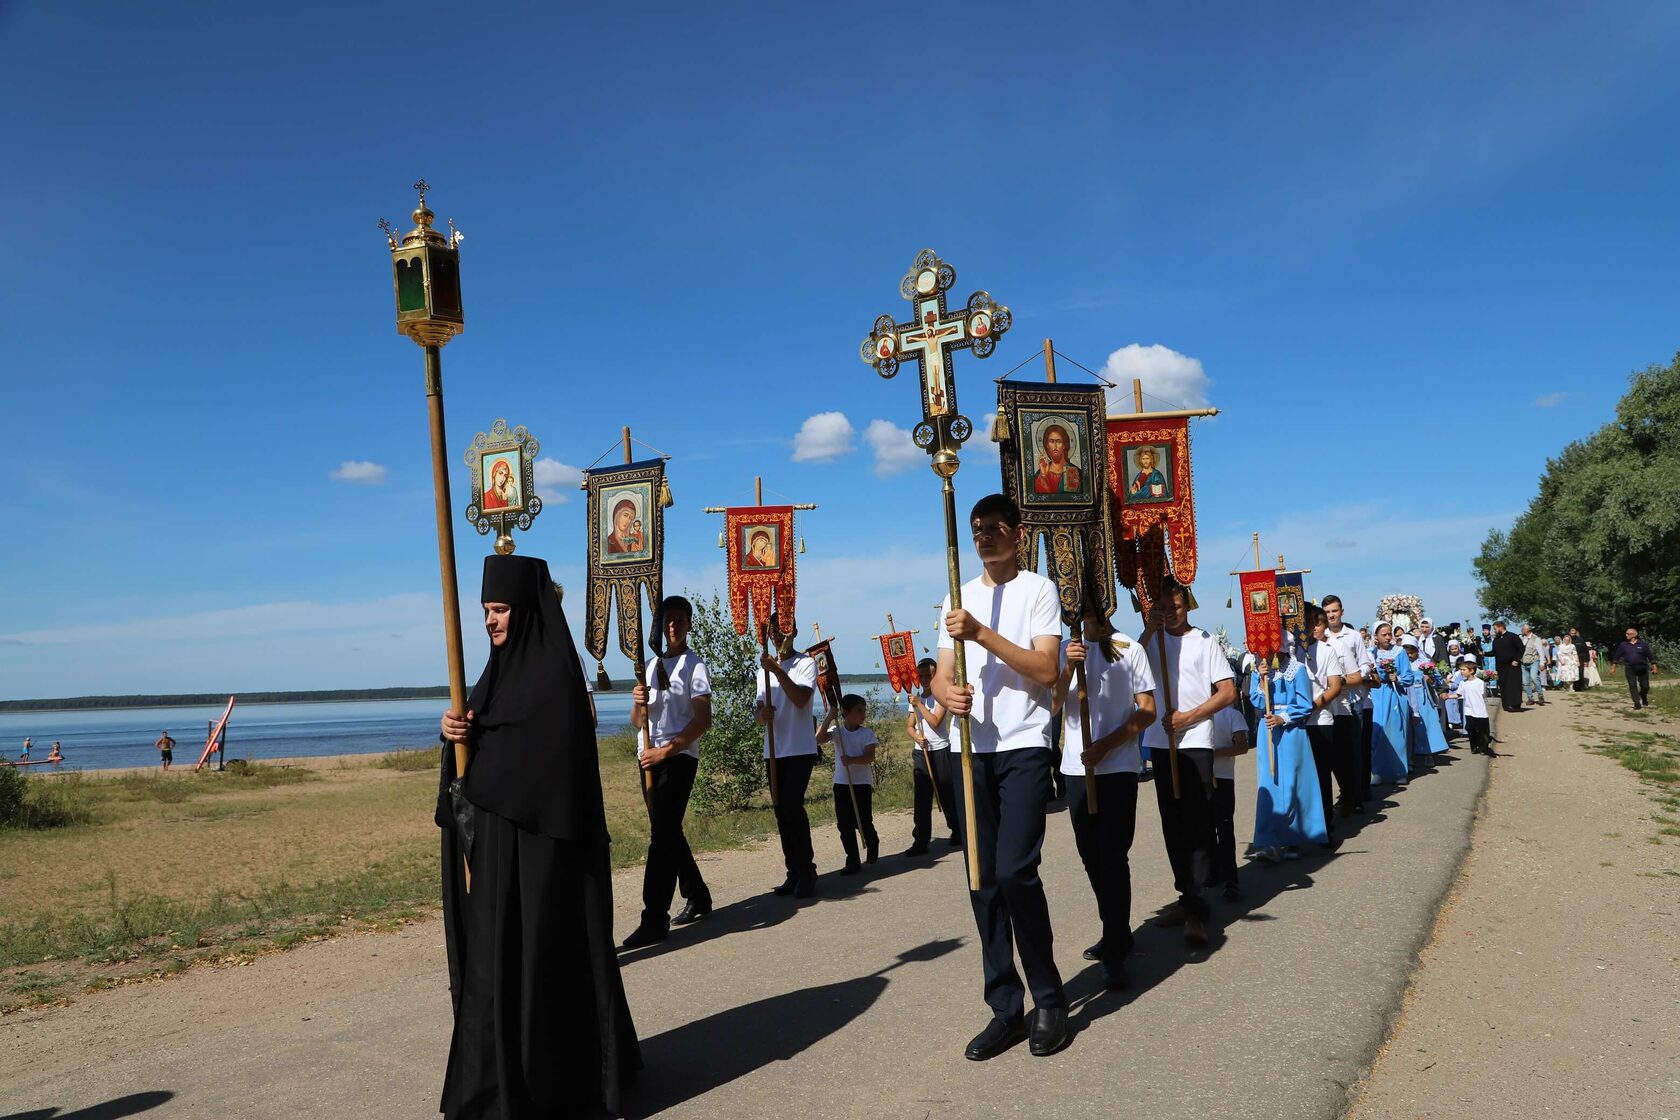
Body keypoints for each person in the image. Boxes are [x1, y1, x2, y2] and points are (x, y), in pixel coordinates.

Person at [436, 554, 639, 1118]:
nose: (490, 622)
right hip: (500, 854)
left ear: (525, 611)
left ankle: (549, 1083)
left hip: (545, 859)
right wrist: (453, 733)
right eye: (484, 611)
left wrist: (479, 758)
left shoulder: (555, 680)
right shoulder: (494, 677)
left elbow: (542, 767)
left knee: (543, 966)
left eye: (500, 609)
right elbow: (472, 753)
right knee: (494, 971)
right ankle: (493, 1084)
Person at [934, 493, 1068, 1060]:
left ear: (1017, 532)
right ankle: (1004, 1007)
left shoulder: (1039, 589)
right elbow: (940, 678)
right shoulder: (956, 595)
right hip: (973, 749)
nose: (984, 537)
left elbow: (1047, 667)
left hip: (1024, 744)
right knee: (982, 878)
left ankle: (1049, 997)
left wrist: (982, 634)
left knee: (1016, 870)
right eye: (976, 529)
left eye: (994, 528)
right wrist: (950, 694)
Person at [1053, 604, 1155, 990]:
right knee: (1091, 857)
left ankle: (1115, 950)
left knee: (1112, 856)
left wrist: (1108, 745)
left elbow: (1147, 709)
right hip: (1077, 770)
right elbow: (1051, 704)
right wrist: (1066, 667)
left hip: (1117, 768)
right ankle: (1117, 928)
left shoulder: (1129, 648)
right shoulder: (1067, 648)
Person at [1141, 581, 1238, 945]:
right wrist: (1151, 627)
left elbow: (1228, 692)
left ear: (1188, 605)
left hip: (1194, 741)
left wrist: (1189, 717)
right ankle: (1186, 895)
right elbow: (1126, 668)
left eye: (1176, 605)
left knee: (1197, 824)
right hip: (1160, 742)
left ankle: (1197, 908)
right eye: (1163, 606)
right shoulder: (1151, 641)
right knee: (1172, 823)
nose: (1170, 611)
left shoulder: (1204, 641)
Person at [622, 595, 714, 949]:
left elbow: (702, 720)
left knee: (661, 837)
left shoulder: (695, 666)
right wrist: (637, 703)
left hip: (677, 758)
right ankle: (698, 894)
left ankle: (654, 917)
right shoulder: (648, 665)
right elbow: (637, 723)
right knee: (667, 829)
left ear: (689, 625)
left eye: (679, 619)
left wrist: (666, 750)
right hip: (648, 757)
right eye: (667, 620)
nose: (673, 625)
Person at [755, 613, 820, 897]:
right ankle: (792, 871)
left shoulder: (805, 663)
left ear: (792, 631)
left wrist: (777, 670)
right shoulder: (762, 669)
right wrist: (762, 714)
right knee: (781, 812)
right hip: (774, 749)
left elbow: (801, 699)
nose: (777, 637)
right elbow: (758, 711)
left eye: (781, 631)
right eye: (772, 632)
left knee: (793, 807)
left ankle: (807, 870)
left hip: (800, 747)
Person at [1250, 636, 1330, 862]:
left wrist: (1283, 717)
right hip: (1268, 730)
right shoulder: (1261, 670)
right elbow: (1256, 700)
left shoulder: (1298, 670)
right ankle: (1269, 839)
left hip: (1290, 730)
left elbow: (1305, 703)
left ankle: (1294, 837)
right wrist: (1261, 679)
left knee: (1292, 781)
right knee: (1269, 782)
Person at [1321, 595, 1374, 814]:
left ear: (1342, 611)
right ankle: (1347, 792)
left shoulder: (1352, 637)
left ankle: (1358, 794)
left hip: (1352, 698)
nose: (1331, 615)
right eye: (1327, 612)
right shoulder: (1321, 637)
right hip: (1330, 701)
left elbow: (1364, 665)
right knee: (1336, 750)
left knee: (1355, 748)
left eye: (1334, 611)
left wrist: (1346, 678)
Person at [905, 658, 960, 855]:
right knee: (921, 798)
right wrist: (917, 737)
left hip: (940, 750)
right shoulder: (916, 699)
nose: (925, 679)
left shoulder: (940, 696)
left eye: (929, 675)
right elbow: (910, 726)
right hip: (922, 752)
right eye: (921, 676)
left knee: (946, 793)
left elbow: (936, 721)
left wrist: (920, 704)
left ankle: (958, 830)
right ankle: (920, 840)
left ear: (936, 675)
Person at [818, 693, 878, 874]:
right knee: (844, 824)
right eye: (858, 711)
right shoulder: (838, 732)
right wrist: (829, 717)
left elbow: (870, 756)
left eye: (864, 711)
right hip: (841, 784)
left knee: (863, 820)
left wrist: (852, 760)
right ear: (846, 712)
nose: (862, 715)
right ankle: (852, 860)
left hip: (861, 784)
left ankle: (872, 840)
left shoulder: (867, 733)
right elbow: (818, 739)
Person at [1302, 606, 1345, 841]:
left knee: (1321, 773)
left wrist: (1313, 706)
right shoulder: (1289, 651)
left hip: (1319, 719)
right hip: (1295, 723)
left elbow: (1335, 686)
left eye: (1312, 622)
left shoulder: (1326, 651)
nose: (1308, 627)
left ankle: (1325, 825)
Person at [1208, 703, 1250, 899]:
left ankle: (1230, 878)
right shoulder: (1195, 714)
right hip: (1200, 776)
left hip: (1223, 777)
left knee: (1224, 828)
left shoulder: (1231, 715)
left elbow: (1242, 747)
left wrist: (1213, 754)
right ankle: (1212, 873)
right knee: (1204, 830)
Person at [1368, 623, 1411, 786]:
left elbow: (1408, 676)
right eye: (1384, 635)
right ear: (1376, 637)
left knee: (1395, 731)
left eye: (1389, 634)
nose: (1388, 637)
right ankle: (1377, 771)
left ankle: (1399, 771)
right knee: (1376, 732)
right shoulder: (1370, 653)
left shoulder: (1399, 653)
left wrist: (1397, 678)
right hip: (1377, 694)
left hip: (1394, 694)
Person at [1443, 654, 1494, 757]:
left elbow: (1484, 695)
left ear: (1471, 671)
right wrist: (1448, 696)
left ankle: (1483, 747)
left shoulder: (1479, 682)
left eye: (1464, 670)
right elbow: (1458, 694)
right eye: (1461, 669)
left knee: (1482, 731)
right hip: (1469, 710)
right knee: (1470, 729)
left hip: (1480, 711)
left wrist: (1486, 686)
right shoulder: (1463, 683)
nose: (1462, 671)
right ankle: (1474, 747)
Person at [1610, 627, 1655, 710]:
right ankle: (1637, 703)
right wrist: (1614, 666)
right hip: (1630, 668)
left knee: (1645, 686)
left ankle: (1643, 696)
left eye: (1628, 634)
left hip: (1642, 667)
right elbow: (1617, 656)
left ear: (1635, 635)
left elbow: (1650, 655)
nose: (1626, 635)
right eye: (1626, 633)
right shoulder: (1623, 645)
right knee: (1632, 685)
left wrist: (1654, 665)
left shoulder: (1643, 644)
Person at [1031, 424, 1082, 495]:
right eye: (1051, 441)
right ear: (1047, 445)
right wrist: (1043, 476)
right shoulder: (1039, 474)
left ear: (1064, 445)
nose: (1055, 446)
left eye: (1059, 442)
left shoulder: (1074, 471)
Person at [1492, 621, 1525, 712]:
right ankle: (1506, 704)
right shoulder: (1496, 640)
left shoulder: (1512, 636)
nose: (1494, 631)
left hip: (1512, 665)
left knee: (1513, 685)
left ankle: (1514, 704)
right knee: (1503, 685)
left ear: (1501, 627)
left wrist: (1516, 659)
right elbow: (1494, 652)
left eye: (1495, 629)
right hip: (1501, 666)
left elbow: (1521, 648)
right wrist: (1484, 653)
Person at [1520, 624, 1546, 706]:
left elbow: (1541, 652)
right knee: (1525, 682)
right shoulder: (1521, 638)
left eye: (1523, 628)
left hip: (1533, 661)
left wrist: (1542, 663)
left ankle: (1540, 696)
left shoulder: (1536, 639)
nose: (1521, 630)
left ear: (1528, 630)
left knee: (1534, 677)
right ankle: (1530, 698)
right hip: (1523, 662)